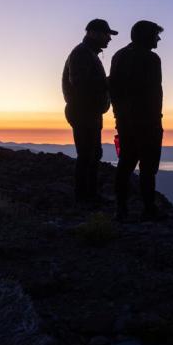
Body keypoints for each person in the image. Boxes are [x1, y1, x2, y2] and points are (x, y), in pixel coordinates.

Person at [109, 20, 165, 221]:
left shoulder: (118, 56)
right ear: (147, 36)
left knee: (125, 163)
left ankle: (121, 209)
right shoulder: (151, 59)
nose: (158, 39)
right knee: (148, 168)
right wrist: (156, 121)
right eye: (155, 35)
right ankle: (149, 209)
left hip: (124, 121)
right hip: (148, 121)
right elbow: (153, 93)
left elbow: (113, 89)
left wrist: (119, 115)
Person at [62, 18, 116, 205]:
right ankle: (84, 198)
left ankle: (88, 195)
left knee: (92, 153)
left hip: (88, 112)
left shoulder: (87, 53)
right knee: (87, 154)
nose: (109, 38)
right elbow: (81, 84)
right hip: (83, 112)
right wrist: (108, 83)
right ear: (93, 33)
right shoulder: (82, 54)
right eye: (106, 34)